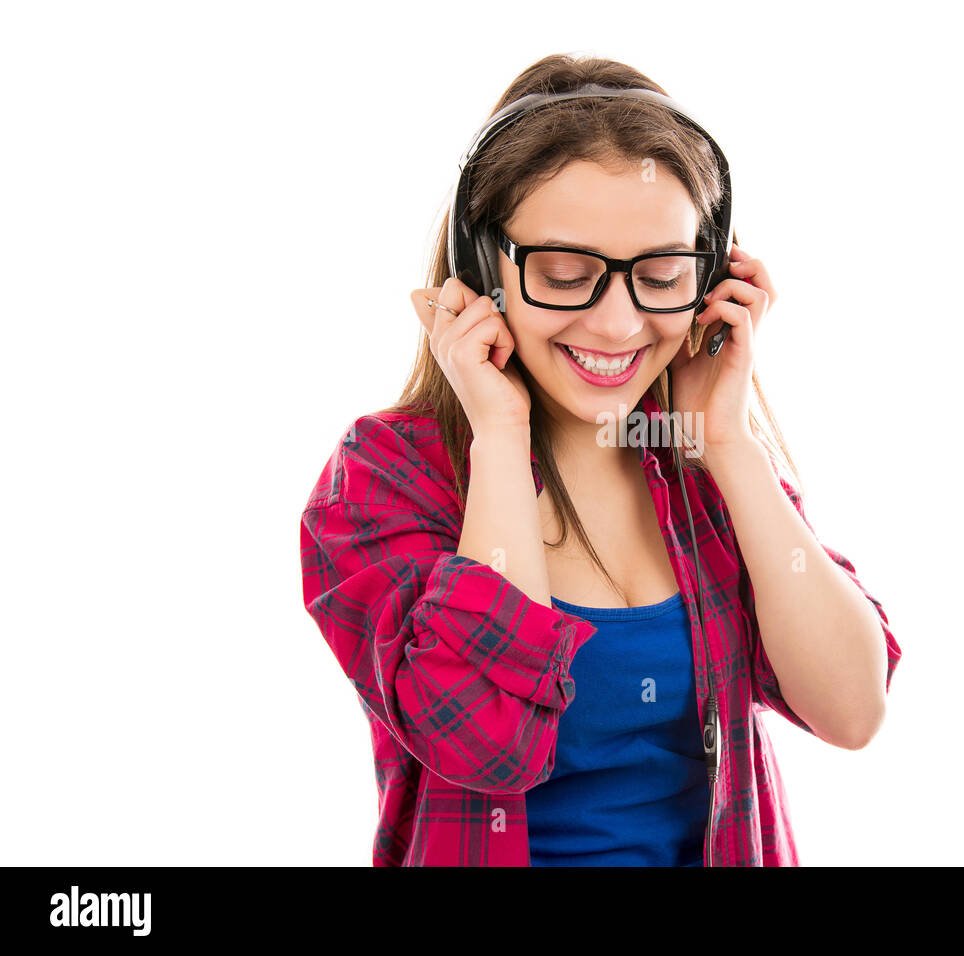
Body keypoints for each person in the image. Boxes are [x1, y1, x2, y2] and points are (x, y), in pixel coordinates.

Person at [299, 53, 902, 866]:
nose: (618, 325)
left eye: (659, 275)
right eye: (566, 275)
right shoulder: (382, 479)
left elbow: (852, 709)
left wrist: (726, 441)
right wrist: (501, 437)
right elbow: (485, 745)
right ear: (485, 270)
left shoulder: (698, 468)